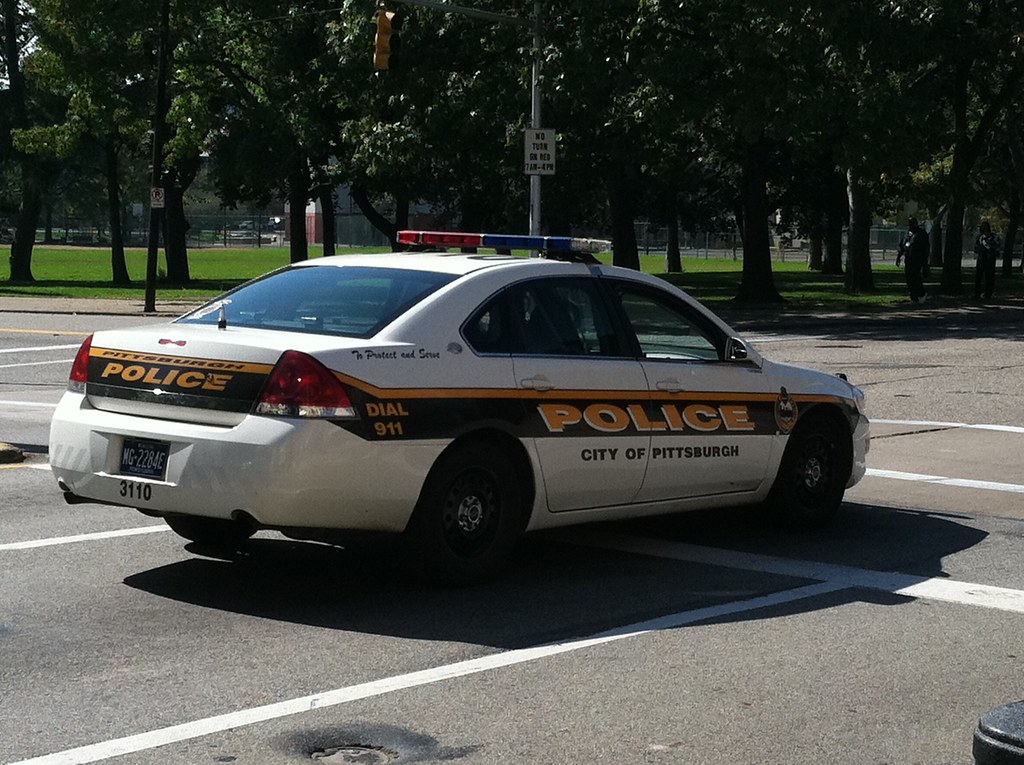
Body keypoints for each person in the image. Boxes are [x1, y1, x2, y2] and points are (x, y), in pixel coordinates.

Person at [900, 217, 930, 303]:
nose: (910, 225)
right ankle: (913, 296)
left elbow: (926, 248)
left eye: (912, 223)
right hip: (908, 259)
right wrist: (899, 256)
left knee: (915, 277)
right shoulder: (908, 234)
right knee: (909, 277)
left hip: (918, 259)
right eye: (909, 223)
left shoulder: (921, 234)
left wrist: (925, 261)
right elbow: (902, 244)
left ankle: (921, 293)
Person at [973, 221, 1000, 300]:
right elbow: (976, 248)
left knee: (989, 277)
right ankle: (977, 293)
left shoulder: (994, 237)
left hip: (990, 259)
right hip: (981, 259)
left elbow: (996, 246)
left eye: (984, 227)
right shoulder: (979, 237)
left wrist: (990, 249)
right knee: (978, 277)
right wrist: (979, 250)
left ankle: (988, 294)